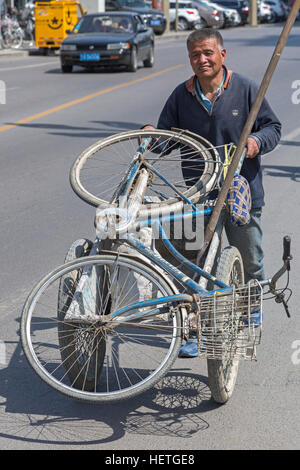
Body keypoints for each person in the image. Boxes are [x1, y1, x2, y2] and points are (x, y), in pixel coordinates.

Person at [141, 28, 281, 357]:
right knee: (196, 264)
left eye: (207, 53)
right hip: (197, 195)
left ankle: (250, 312)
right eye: (195, 55)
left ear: (222, 55)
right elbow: (167, 139)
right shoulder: (182, 95)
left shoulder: (246, 89)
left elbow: (273, 127)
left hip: (240, 191)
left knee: (250, 259)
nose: (202, 60)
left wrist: (255, 142)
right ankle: (195, 329)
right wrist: (151, 135)